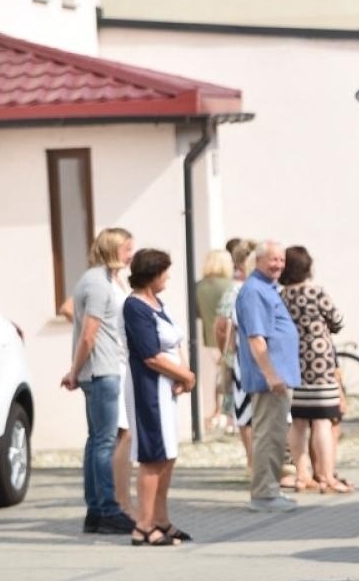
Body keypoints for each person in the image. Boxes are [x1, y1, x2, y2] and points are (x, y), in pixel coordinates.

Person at [61, 227, 136, 535]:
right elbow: (89, 334)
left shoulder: (97, 279)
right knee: (105, 442)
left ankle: (95, 510)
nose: (132, 253)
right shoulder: (98, 283)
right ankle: (106, 509)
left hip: (98, 370)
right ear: (113, 249)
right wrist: (75, 371)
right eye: (127, 248)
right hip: (102, 371)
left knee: (96, 441)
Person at [123, 248, 196, 546]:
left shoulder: (157, 303)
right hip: (148, 389)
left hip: (166, 389)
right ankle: (143, 525)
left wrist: (182, 375)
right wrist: (186, 375)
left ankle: (161, 519)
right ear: (152, 273)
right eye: (164, 271)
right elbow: (150, 355)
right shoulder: (135, 307)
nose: (167, 276)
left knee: (167, 455)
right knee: (152, 456)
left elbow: (172, 342)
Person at [235, 240, 302, 512]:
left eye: (282, 260)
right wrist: (271, 374)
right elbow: (256, 339)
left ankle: (270, 489)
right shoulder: (254, 291)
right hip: (269, 379)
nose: (278, 265)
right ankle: (264, 494)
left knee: (275, 435)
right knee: (268, 435)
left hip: (278, 377)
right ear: (259, 261)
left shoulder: (266, 289)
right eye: (273, 259)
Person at [279, 246, 352, 494]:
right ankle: (327, 476)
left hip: (294, 361)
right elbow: (338, 320)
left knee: (298, 421)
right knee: (322, 421)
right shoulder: (315, 292)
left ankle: (301, 474)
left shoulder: (282, 295)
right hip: (320, 361)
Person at [213, 241, 256, 465]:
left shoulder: (239, 287)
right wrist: (226, 353)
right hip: (246, 358)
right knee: (246, 411)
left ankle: (255, 462)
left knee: (246, 412)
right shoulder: (241, 287)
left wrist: (225, 352)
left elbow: (220, 326)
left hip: (244, 358)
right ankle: (255, 462)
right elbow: (221, 325)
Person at [195, 248, 233, 434]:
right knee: (227, 380)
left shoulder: (198, 286)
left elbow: (196, 313)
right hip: (226, 340)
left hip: (207, 339)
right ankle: (227, 416)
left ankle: (214, 413)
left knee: (213, 379)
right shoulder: (229, 286)